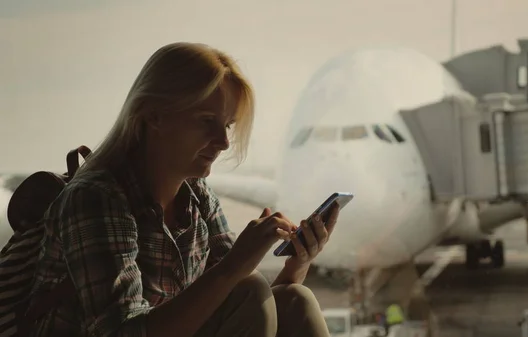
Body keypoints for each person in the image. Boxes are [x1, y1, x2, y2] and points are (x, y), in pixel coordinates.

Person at [26, 42, 338, 337]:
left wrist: (298, 263)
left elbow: (251, 310)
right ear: (154, 116)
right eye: (206, 121)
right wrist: (235, 264)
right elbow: (122, 332)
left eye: (227, 125)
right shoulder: (97, 198)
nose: (224, 142)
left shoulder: (197, 196)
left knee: (294, 299)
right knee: (250, 287)